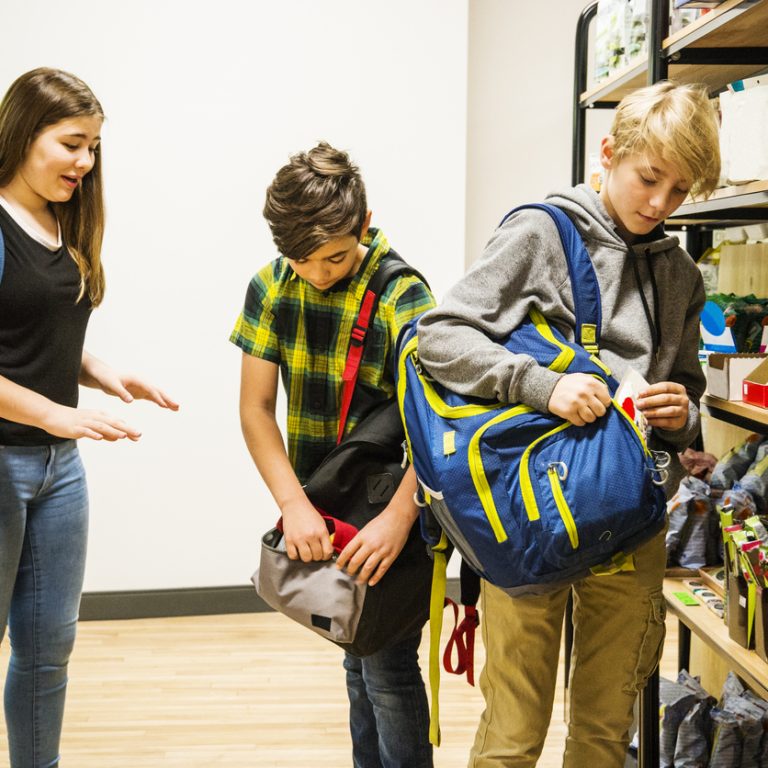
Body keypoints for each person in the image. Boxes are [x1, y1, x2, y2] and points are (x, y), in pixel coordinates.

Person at [416, 81, 721, 767]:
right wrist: (542, 387)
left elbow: (689, 389)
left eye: (679, 191)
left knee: (605, 736)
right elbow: (437, 337)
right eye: (649, 179)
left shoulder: (680, 273)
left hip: (632, 521)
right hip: (531, 520)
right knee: (512, 739)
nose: (660, 204)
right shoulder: (541, 233)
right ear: (610, 152)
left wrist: (681, 415)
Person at [231, 141, 435, 767]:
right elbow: (255, 409)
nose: (317, 271)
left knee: (388, 670)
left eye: (334, 257)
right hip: (326, 504)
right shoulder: (272, 285)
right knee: (354, 654)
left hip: (393, 508)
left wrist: (400, 518)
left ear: (364, 226)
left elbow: (438, 420)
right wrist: (294, 505)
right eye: (301, 258)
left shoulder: (402, 294)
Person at [0, 67, 179, 767]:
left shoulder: (62, 221)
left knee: (48, 651)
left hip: (58, 470)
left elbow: (30, 335)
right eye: (72, 143)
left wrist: (101, 372)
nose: (85, 162)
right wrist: (53, 414)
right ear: (23, 134)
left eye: (94, 147)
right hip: (6, 461)